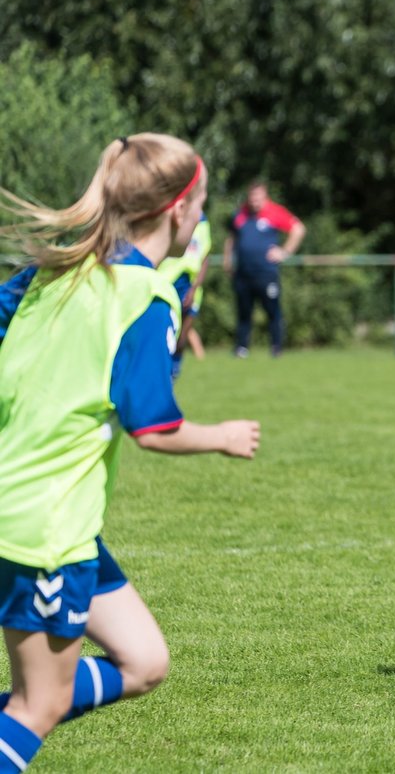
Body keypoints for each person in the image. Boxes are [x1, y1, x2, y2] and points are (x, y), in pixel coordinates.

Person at [0, 133, 260, 773]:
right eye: (200, 205)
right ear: (177, 211)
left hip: (54, 522)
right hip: (42, 528)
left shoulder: (47, 274)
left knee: (144, 661)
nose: (201, 219)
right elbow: (154, 427)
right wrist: (222, 436)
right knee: (40, 705)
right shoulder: (144, 299)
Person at [223, 180, 306, 357]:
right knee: (244, 311)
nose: (254, 201)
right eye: (252, 197)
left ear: (264, 196)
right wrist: (227, 260)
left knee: (272, 310)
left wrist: (284, 252)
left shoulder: (274, 211)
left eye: (258, 197)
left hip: (265, 272)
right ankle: (241, 348)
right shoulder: (240, 214)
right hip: (243, 272)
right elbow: (231, 238)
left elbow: (298, 228)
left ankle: (276, 347)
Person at [157, 210, 212, 378]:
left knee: (181, 340)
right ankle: (162, 376)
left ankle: (173, 374)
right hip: (166, 282)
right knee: (163, 337)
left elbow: (205, 256)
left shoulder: (202, 222)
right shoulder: (170, 214)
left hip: (190, 286)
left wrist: (195, 287)